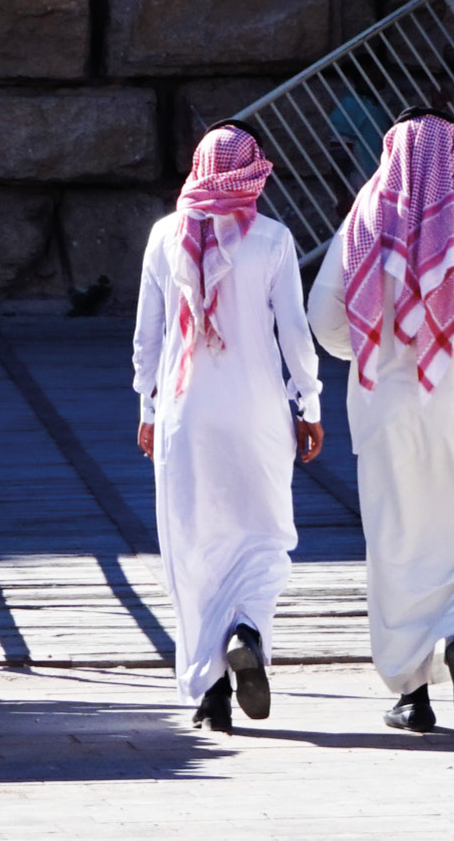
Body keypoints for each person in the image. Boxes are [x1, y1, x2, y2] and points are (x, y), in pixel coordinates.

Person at [306, 112, 454, 733]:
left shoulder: (361, 229)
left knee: (397, 548)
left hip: (388, 419)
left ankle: (412, 695)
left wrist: (370, 351)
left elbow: (324, 320)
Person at [131, 122, 325, 733]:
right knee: (266, 537)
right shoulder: (271, 238)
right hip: (259, 412)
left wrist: (147, 407)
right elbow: (294, 333)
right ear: (252, 172)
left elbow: (148, 338)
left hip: (185, 416)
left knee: (191, 548)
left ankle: (210, 690)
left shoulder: (164, 236)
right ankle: (248, 630)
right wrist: (309, 404)